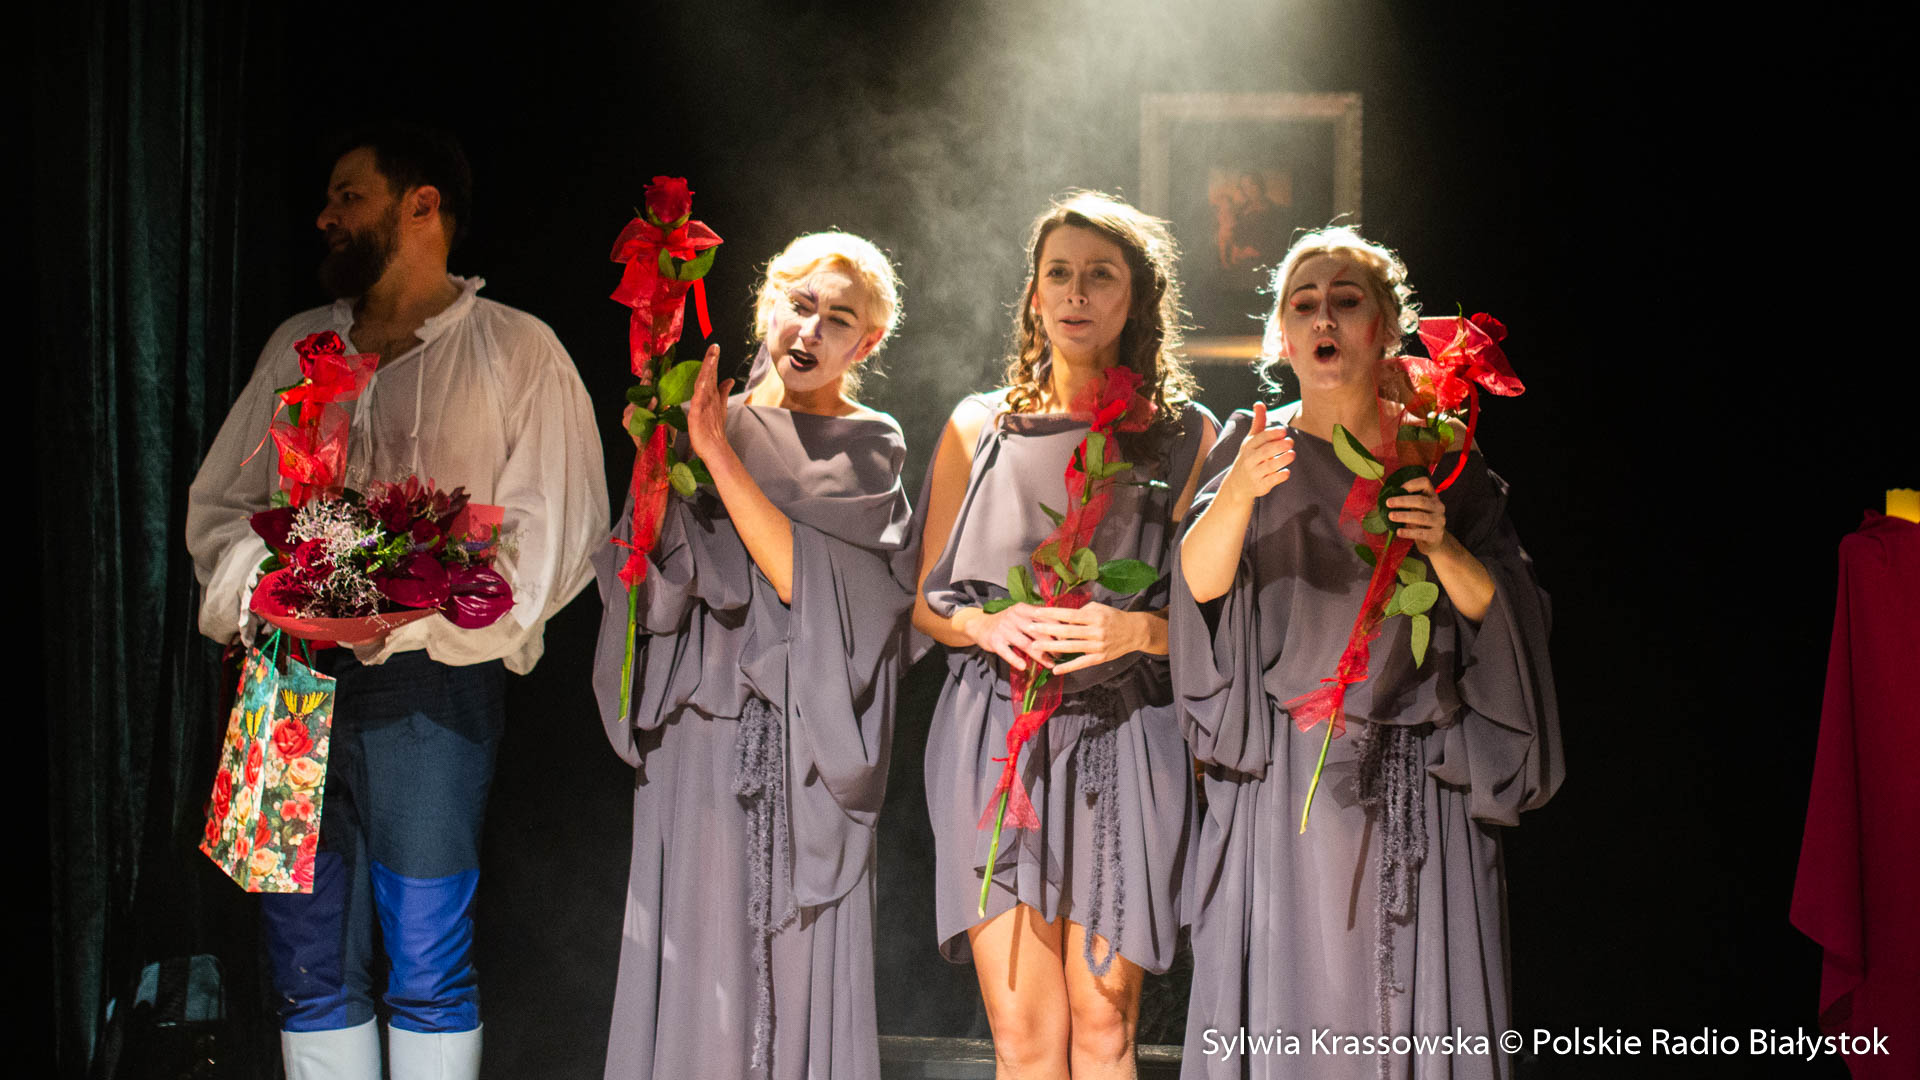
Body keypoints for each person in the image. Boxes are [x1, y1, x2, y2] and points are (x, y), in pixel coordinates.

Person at [185, 124, 607, 1079]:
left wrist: (413, 608)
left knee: (427, 954)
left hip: (429, 687)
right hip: (282, 682)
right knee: (303, 960)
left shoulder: (515, 350)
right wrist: (275, 588)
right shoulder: (300, 345)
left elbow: (555, 533)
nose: (325, 216)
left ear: (423, 207)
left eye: (350, 196)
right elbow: (220, 509)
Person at [1172, 226, 1561, 1079]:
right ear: (1282, 335)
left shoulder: (1438, 452)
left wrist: (1441, 544)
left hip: (1420, 776)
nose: (1323, 317)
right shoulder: (1255, 443)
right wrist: (1237, 492)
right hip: (1288, 784)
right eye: (1303, 304)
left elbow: (1508, 612)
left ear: (1385, 326)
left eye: (1345, 301)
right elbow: (1195, 590)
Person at [591, 232, 914, 1080]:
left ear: (866, 342)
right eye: (800, 305)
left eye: (838, 319)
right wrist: (656, 469)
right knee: (699, 963)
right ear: (768, 303)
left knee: (794, 965)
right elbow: (649, 591)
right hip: (698, 736)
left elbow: (814, 588)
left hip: (804, 744)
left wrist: (715, 454)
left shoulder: (867, 443)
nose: (811, 330)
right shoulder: (702, 420)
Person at [914, 192, 1218, 1079]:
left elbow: (1217, 623)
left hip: (1125, 736)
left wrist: (1140, 629)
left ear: (1138, 298)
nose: (1077, 292)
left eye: (1100, 275)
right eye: (1059, 274)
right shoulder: (979, 425)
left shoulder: (1186, 437)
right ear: (1035, 294)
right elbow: (925, 604)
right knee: (1024, 1039)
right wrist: (985, 620)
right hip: (994, 735)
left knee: (1104, 1026)